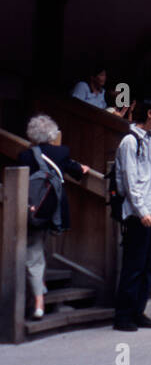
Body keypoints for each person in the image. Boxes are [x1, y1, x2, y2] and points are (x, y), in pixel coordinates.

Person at [17, 115, 90, 320]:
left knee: (33, 253)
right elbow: (77, 170)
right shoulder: (61, 152)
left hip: (33, 211)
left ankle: (39, 300)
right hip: (54, 212)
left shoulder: (24, 156)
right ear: (51, 134)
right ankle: (41, 292)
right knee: (38, 250)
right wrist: (83, 169)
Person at [113, 97, 151, 332]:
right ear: (150, 113)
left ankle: (138, 311)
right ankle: (124, 315)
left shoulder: (150, 140)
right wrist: (141, 211)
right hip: (139, 212)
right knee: (134, 264)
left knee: (148, 264)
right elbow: (129, 180)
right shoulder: (130, 141)